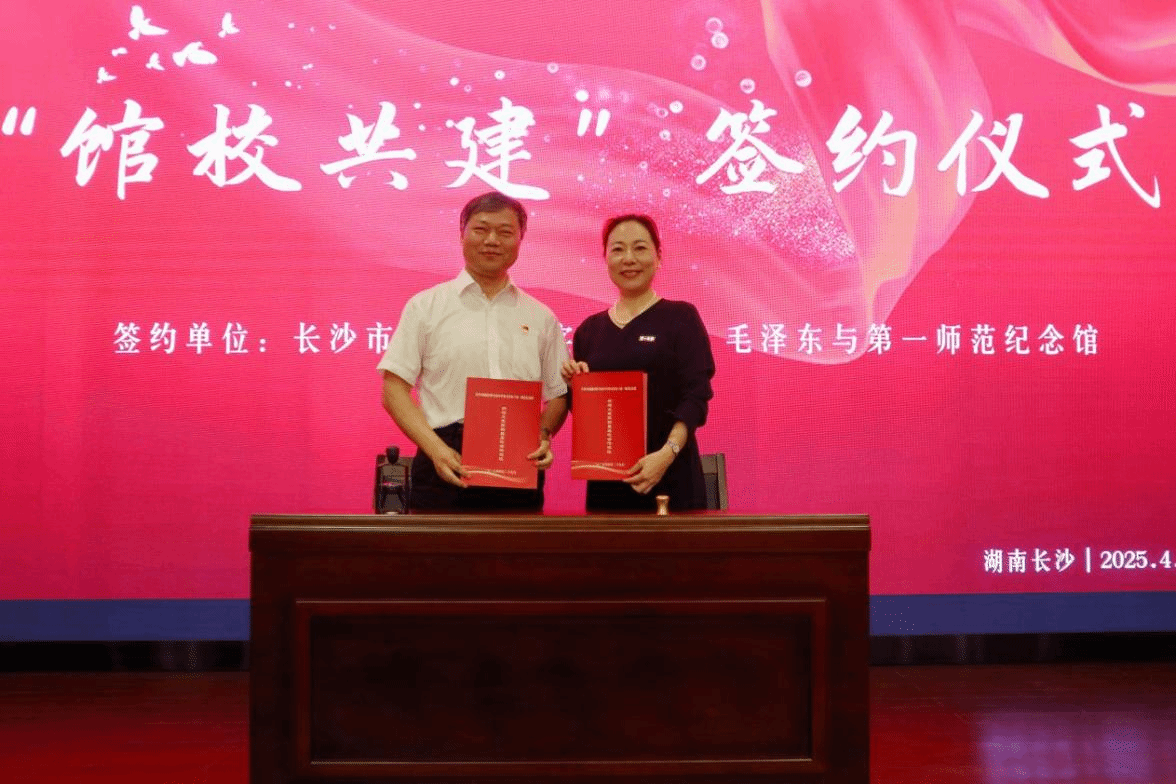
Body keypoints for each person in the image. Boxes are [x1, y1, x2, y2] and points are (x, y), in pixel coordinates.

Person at [378, 191, 569, 512]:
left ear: (520, 239)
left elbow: (559, 394)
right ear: (462, 234)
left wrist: (542, 434)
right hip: (445, 458)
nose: (492, 240)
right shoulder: (426, 306)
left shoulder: (541, 317)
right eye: (481, 229)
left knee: (518, 546)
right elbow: (393, 389)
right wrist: (436, 450)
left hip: (518, 460)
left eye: (505, 232)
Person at [562, 214, 715, 511]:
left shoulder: (681, 318)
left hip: (671, 473)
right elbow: (587, 417)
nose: (629, 259)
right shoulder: (589, 331)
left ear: (658, 257)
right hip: (607, 483)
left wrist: (666, 454)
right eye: (618, 249)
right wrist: (574, 386)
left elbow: (696, 397)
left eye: (640, 248)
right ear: (605, 258)